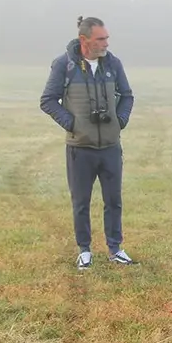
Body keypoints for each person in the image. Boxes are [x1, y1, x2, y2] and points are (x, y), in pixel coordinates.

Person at [39, 16, 136, 270]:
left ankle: (115, 248)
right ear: (84, 40)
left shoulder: (113, 64)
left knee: (113, 200)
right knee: (80, 202)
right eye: (100, 39)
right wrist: (72, 124)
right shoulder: (64, 65)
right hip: (79, 149)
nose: (106, 43)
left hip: (111, 148)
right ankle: (84, 250)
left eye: (106, 38)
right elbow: (47, 100)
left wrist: (120, 120)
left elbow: (127, 96)